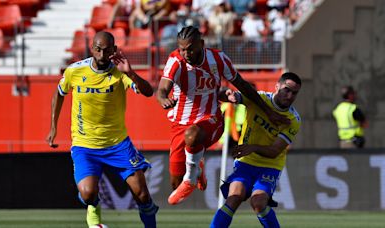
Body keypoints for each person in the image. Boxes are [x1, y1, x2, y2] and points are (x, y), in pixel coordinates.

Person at [156, 26, 290, 205]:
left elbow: (242, 85)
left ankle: (191, 176)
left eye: (190, 48)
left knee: (193, 135)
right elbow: (162, 89)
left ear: (201, 44)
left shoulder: (218, 59)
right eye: (181, 49)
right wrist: (163, 98)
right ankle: (197, 167)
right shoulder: (175, 61)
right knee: (175, 185)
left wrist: (268, 111)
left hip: (211, 119)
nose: (185, 53)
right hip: (180, 124)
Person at [46, 31, 158, 227]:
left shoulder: (120, 73)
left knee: (142, 195)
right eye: (98, 50)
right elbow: (59, 93)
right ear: (92, 49)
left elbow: (148, 92)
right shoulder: (75, 71)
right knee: (88, 193)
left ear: (114, 50)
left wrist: (130, 73)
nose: (101, 55)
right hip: (85, 145)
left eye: (106, 51)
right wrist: (53, 127)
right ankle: (93, 212)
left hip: (118, 145)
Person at [210, 72, 302, 228]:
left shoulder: (292, 120)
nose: (290, 95)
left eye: (294, 93)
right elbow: (225, 96)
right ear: (277, 86)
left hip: (270, 165)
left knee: (258, 202)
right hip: (246, 162)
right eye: (287, 89)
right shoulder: (258, 98)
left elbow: (274, 151)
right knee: (234, 197)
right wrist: (226, 94)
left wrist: (252, 147)